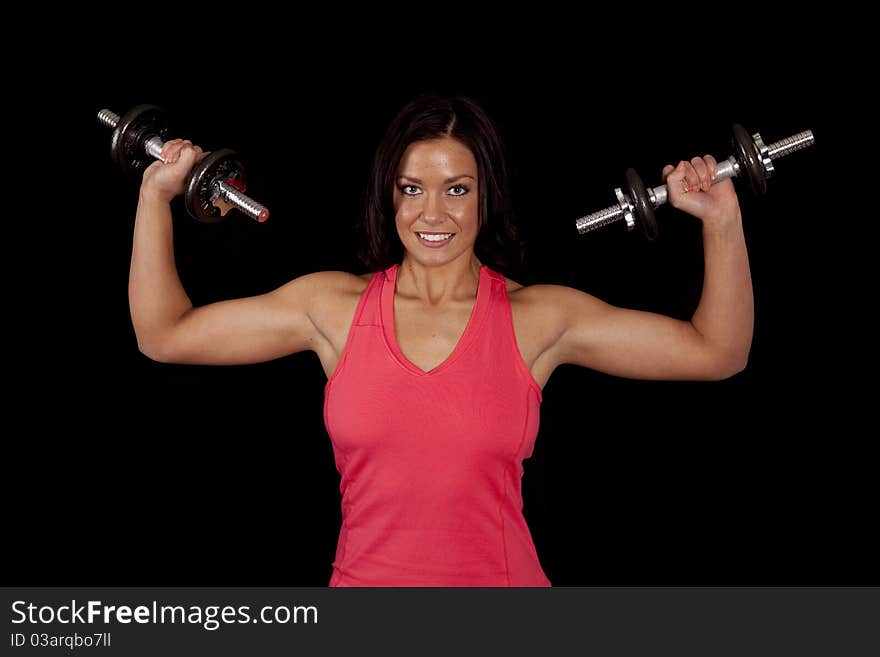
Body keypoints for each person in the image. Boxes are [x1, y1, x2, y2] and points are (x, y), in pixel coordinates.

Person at [129, 94, 753, 587]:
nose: (433, 213)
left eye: (457, 188)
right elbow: (166, 335)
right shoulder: (330, 307)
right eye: (411, 188)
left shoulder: (537, 316)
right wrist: (156, 195)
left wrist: (722, 221)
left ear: (486, 197)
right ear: (389, 195)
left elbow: (716, 352)